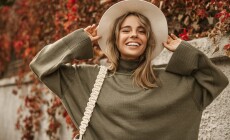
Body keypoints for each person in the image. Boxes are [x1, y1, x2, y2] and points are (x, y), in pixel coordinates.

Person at [30, 0, 229, 140]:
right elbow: (41, 65)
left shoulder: (173, 81)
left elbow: (215, 80)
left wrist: (185, 52)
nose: (134, 35)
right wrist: (78, 41)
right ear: (115, 39)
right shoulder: (88, 80)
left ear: (148, 40)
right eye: (126, 30)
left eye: (141, 31)